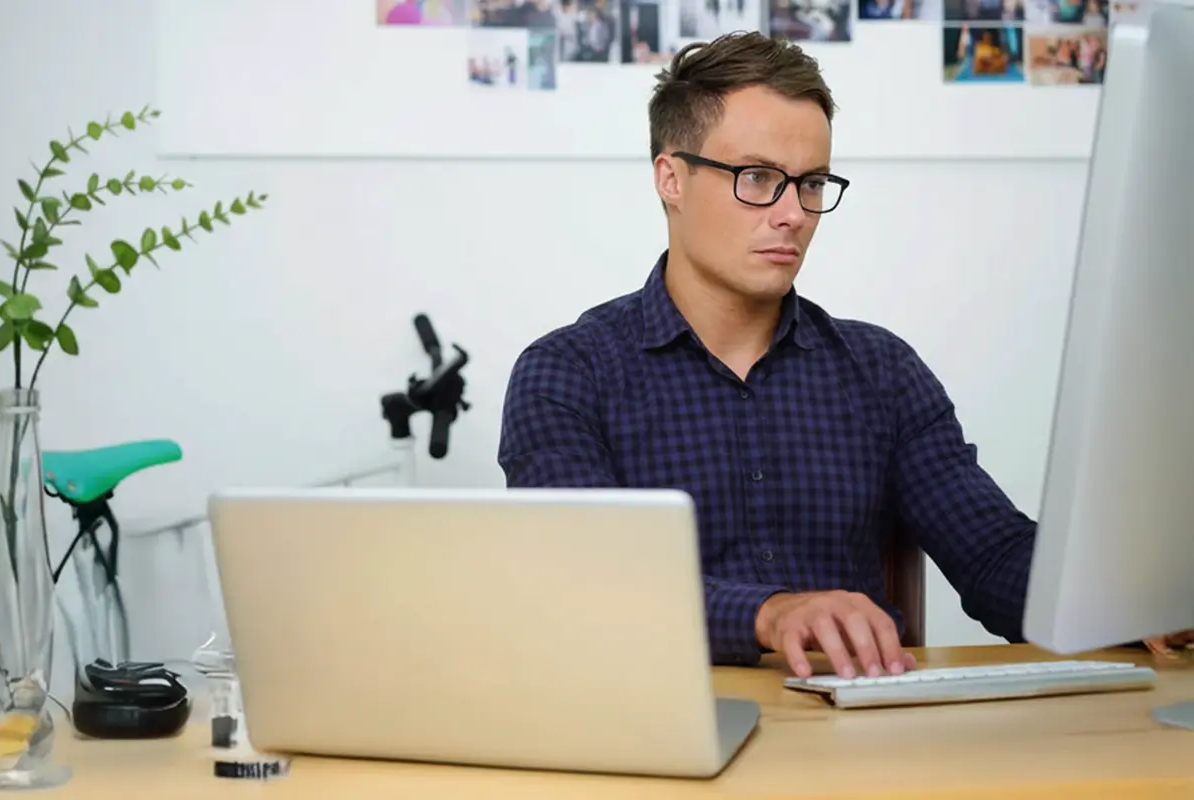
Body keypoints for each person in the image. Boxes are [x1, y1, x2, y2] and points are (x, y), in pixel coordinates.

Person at [496, 31, 1191, 678]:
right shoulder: (567, 373)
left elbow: (992, 553)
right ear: (671, 179)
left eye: (810, 182)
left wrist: (1126, 600)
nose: (793, 213)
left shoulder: (880, 371)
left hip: (856, 733)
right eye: (758, 178)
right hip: (654, 725)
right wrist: (769, 613)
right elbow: (584, 581)